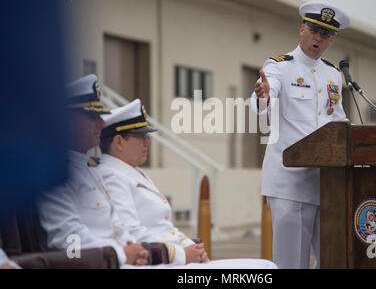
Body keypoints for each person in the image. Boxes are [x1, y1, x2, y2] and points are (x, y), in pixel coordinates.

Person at [98, 99, 277, 269]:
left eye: (147, 136)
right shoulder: (110, 175)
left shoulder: (131, 171)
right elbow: (130, 235)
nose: (148, 142)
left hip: (171, 260)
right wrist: (182, 254)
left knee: (265, 266)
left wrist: (191, 247)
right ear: (119, 142)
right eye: (141, 137)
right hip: (156, 263)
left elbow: (164, 227)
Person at [252, 1, 350, 269]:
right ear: (302, 30)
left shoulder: (333, 74)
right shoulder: (280, 66)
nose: (318, 38)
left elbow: (338, 120)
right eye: (314, 30)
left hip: (327, 183)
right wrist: (263, 96)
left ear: (331, 40)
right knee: (292, 263)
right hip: (290, 184)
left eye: (326, 34)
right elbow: (261, 101)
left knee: (333, 258)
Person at [37, 74, 150, 268]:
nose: (102, 123)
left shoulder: (89, 169)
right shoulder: (51, 171)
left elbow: (116, 226)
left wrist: (133, 249)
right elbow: (67, 240)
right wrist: (121, 254)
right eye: (92, 116)